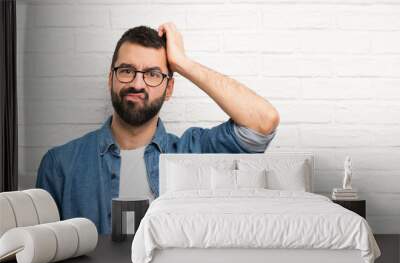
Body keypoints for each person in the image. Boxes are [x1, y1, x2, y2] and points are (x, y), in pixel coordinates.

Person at [36, 23, 280, 234]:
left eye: (153, 74)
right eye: (127, 71)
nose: (137, 83)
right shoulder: (60, 165)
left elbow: (263, 122)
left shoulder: (192, 153)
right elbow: (43, 254)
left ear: (169, 88)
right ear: (110, 78)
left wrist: (183, 63)